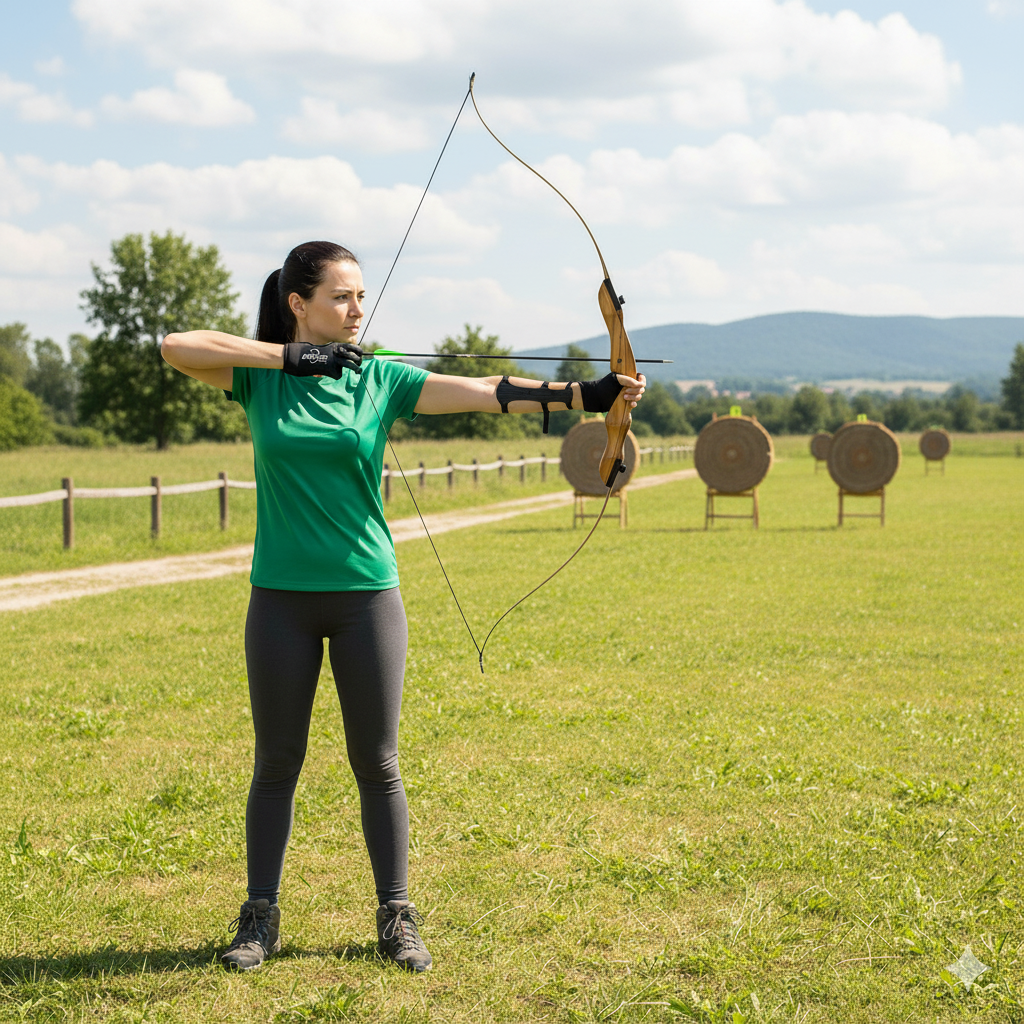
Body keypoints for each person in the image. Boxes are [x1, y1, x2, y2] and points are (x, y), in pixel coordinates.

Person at [161, 240, 645, 973]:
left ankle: (397, 914)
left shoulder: (379, 376)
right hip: (281, 599)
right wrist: (291, 359)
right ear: (299, 304)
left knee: (378, 762)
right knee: (276, 762)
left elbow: (486, 393)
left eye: (361, 297)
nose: (358, 310)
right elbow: (174, 346)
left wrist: (590, 395)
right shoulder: (256, 379)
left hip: (366, 596)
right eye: (342, 298)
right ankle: (259, 917)